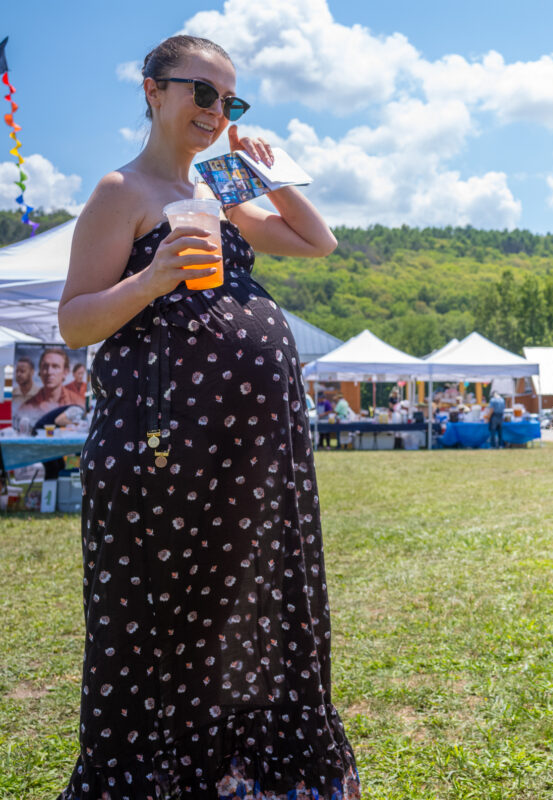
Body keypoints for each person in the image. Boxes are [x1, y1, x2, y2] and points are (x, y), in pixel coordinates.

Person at [56, 35, 357, 797]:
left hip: (249, 460)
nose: (217, 111)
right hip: (164, 452)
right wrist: (153, 278)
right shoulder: (119, 191)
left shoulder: (221, 188)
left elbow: (318, 242)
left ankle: (244, 772)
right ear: (154, 91)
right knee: (170, 625)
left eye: (231, 100)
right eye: (203, 93)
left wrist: (272, 175)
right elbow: (75, 322)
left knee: (246, 610)